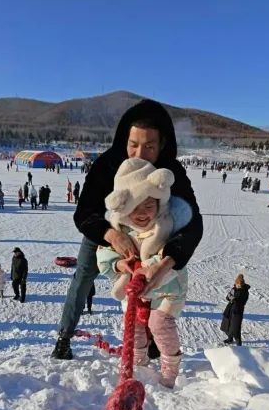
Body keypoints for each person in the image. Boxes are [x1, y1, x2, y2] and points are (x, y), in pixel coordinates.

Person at [52, 99, 202, 360]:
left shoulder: (171, 170)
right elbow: (84, 212)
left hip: (152, 233)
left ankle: (152, 340)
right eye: (133, 145)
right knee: (83, 277)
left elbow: (193, 222)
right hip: (108, 230)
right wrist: (111, 235)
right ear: (124, 140)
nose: (139, 154)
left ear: (163, 145)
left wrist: (167, 261)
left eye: (149, 147)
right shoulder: (108, 164)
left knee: (157, 282)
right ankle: (64, 335)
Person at [95, 158, 187, 388]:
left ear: (159, 204)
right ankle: (138, 360)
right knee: (134, 324)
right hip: (134, 292)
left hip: (167, 289)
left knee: (159, 324)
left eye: (149, 206)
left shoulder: (166, 227)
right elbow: (103, 256)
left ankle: (170, 368)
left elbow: (176, 253)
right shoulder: (120, 232)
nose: (143, 213)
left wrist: (152, 266)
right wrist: (119, 265)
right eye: (135, 208)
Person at [220, 273, 249, 346]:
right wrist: (231, 297)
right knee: (227, 325)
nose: (237, 285)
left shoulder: (245, 291)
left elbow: (243, 302)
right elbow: (227, 297)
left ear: (241, 284)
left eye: (238, 284)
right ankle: (230, 338)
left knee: (236, 328)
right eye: (236, 284)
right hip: (230, 309)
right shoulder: (234, 289)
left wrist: (234, 300)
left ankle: (239, 344)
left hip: (237, 311)